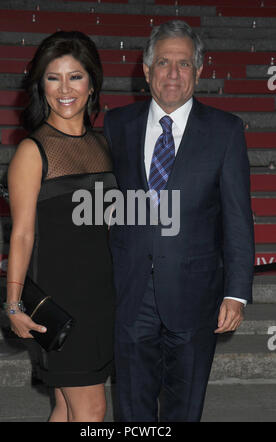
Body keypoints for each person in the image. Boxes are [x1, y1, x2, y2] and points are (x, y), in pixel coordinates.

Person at [103, 20, 255, 422]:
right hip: (131, 294)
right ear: (147, 69)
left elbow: (238, 217)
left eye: (184, 64)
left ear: (199, 71)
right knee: (132, 410)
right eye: (164, 63)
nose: (173, 74)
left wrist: (236, 294)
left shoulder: (225, 132)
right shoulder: (116, 126)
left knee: (184, 411)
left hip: (197, 295)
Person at [5, 31, 116, 422]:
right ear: (41, 84)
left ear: (92, 83)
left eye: (75, 76)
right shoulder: (32, 151)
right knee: (92, 410)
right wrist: (14, 303)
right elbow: (20, 234)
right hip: (60, 301)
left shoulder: (104, 145)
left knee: (67, 407)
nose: (64, 89)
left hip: (101, 297)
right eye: (53, 78)